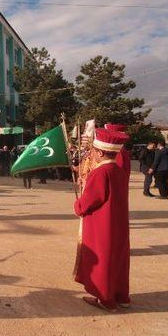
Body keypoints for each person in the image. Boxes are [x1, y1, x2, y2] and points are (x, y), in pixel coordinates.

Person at [73, 127, 130, 312]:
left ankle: (105, 299)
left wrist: (78, 205)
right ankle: (121, 296)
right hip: (118, 223)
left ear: (99, 151)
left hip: (101, 224)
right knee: (118, 259)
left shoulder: (101, 172)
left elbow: (90, 200)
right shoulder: (118, 171)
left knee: (102, 259)